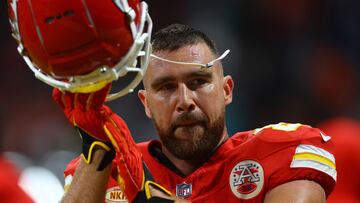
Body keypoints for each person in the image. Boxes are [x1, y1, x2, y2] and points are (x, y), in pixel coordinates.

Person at [55, 24, 336, 202]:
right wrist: (97, 151)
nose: (185, 100)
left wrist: (150, 195)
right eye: (166, 87)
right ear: (146, 104)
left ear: (226, 91)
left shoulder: (286, 149)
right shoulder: (109, 172)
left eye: (198, 82)